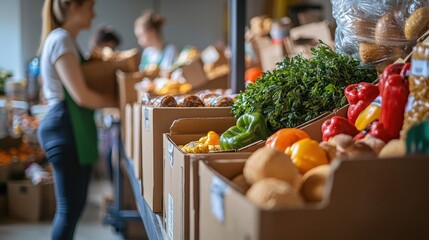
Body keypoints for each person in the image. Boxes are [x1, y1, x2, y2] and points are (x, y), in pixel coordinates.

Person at [37, 0, 117, 239]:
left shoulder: (66, 40)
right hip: (64, 125)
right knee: (69, 209)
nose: (94, 14)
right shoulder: (61, 39)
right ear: (73, 6)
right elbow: (81, 96)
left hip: (66, 123)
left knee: (74, 207)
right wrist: (118, 101)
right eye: (90, 6)